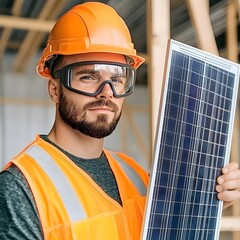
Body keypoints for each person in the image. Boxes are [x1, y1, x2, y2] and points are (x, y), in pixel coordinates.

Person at [0, 2, 239, 240]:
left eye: (117, 78)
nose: (107, 92)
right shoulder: (19, 188)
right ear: (54, 89)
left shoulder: (136, 174)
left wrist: (213, 202)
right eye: (88, 76)